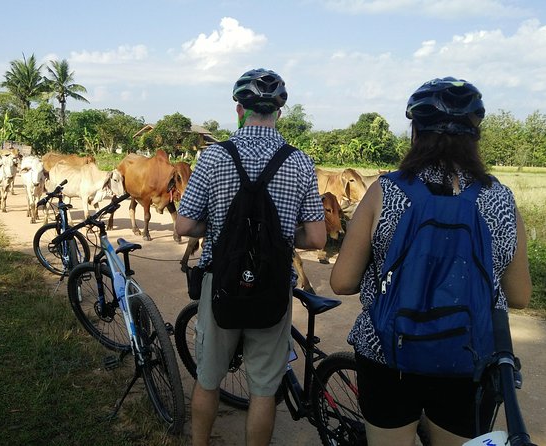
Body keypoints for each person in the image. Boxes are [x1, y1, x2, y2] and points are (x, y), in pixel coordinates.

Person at [330, 77, 532, 446]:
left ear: (415, 133)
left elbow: (341, 282)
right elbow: (519, 296)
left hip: (387, 354)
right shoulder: (500, 198)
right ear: (475, 137)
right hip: (470, 359)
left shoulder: (385, 190)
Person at [176, 68, 327, 446]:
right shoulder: (300, 162)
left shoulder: (213, 157)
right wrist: (274, 235)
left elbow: (184, 224)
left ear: (239, 109)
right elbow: (316, 237)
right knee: (263, 390)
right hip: (272, 288)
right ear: (279, 112)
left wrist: (222, 229)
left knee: (208, 379)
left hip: (221, 287)